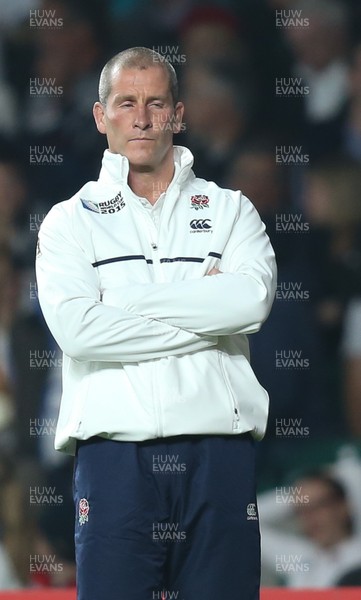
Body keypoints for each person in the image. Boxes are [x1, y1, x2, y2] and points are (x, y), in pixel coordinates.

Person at [35, 46, 276, 600]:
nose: (141, 117)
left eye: (155, 102)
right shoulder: (69, 221)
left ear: (179, 114)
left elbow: (253, 303)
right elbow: (77, 331)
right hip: (114, 458)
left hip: (219, 452)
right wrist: (204, 305)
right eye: (125, 102)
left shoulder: (232, 209)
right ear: (100, 117)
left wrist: (123, 305)